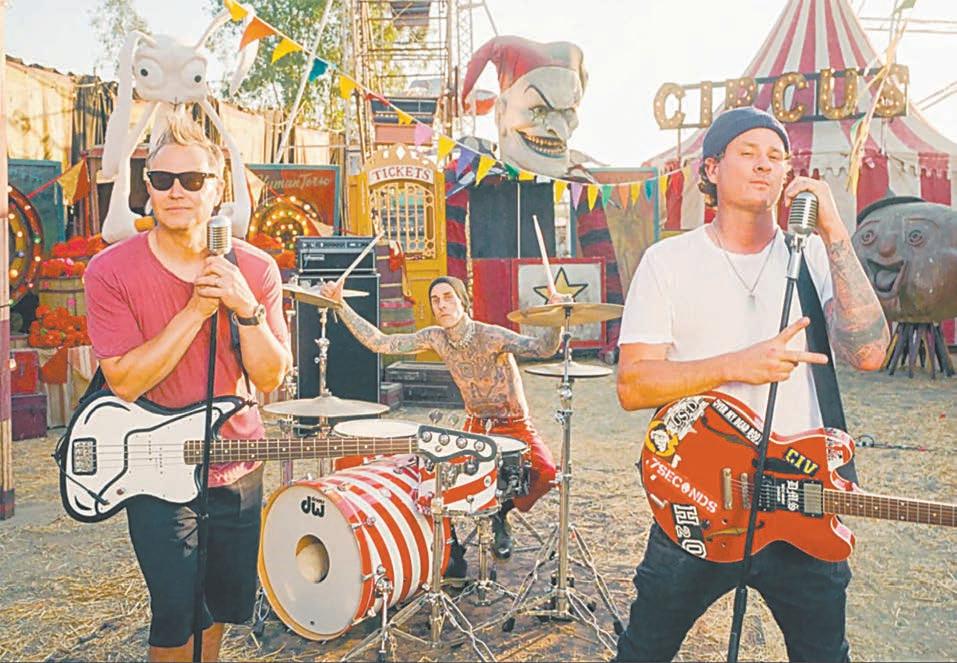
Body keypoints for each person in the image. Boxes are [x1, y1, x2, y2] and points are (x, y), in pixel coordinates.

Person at [615, 107, 889, 662]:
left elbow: (869, 353)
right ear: (712, 168)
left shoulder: (811, 254)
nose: (766, 165)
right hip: (698, 495)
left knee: (823, 654)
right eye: (749, 152)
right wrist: (737, 364)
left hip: (801, 495)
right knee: (645, 650)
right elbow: (634, 385)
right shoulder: (669, 261)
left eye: (777, 156)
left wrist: (835, 231)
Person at [84, 114, 291, 662]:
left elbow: (271, 377)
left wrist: (245, 308)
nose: (177, 191)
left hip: (238, 464)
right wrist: (196, 312)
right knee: (176, 615)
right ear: (147, 188)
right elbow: (125, 381)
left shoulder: (256, 268)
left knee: (219, 607)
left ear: (217, 189)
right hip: (156, 466)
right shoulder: (110, 271)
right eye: (163, 179)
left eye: (193, 180)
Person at [320, 275, 566, 561]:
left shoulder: (492, 336)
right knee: (441, 482)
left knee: (546, 474)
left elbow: (544, 348)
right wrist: (341, 305)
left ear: (463, 301)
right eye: (435, 300)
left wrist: (557, 316)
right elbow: (381, 343)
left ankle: (501, 511)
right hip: (477, 425)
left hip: (514, 424)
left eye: (448, 297)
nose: (442, 305)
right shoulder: (436, 337)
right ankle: (451, 550)